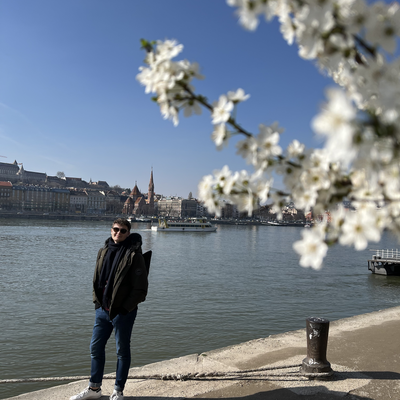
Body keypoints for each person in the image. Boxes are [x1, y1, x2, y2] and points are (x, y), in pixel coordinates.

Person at [70, 218, 149, 400]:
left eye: (122, 231)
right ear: (111, 230)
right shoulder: (103, 251)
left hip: (122, 313)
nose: (118, 233)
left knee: (122, 351)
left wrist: (124, 309)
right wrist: (97, 303)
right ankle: (94, 389)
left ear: (128, 233)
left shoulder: (134, 256)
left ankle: (118, 390)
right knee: (95, 348)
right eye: (115, 229)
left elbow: (141, 290)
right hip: (102, 311)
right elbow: (96, 279)